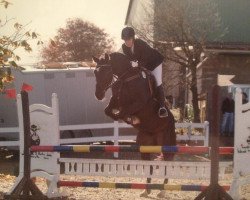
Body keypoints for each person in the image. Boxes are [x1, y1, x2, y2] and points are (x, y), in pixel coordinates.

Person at [121, 26, 168, 118]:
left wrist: (137, 64)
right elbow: (129, 60)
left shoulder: (140, 43)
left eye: (129, 39)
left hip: (154, 63)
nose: (127, 42)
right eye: (125, 40)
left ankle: (162, 107)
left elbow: (146, 58)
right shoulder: (124, 47)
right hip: (143, 65)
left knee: (158, 82)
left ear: (133, 38)